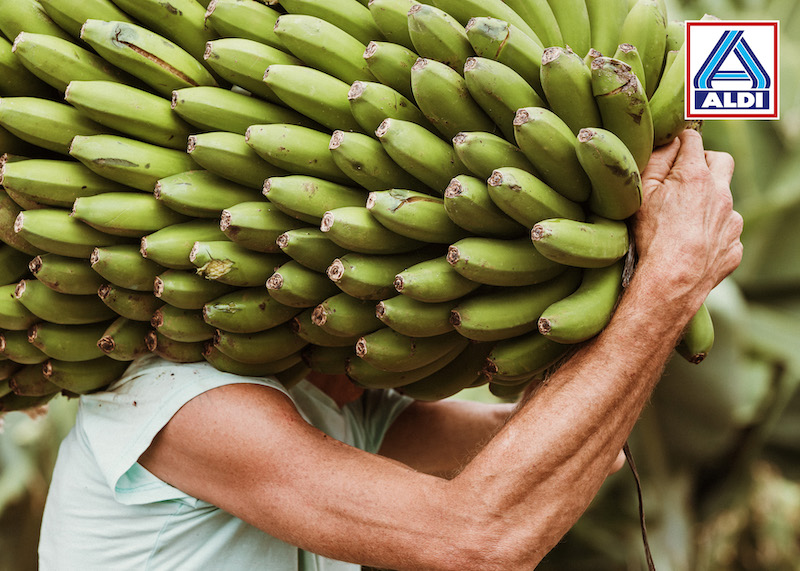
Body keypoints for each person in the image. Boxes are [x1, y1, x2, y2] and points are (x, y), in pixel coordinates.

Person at [38, 130, 743, 570]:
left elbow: (567, 447)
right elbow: (475, 538)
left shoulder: (331, 406)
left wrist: (593, 272)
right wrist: (671, 277)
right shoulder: (185, 404)